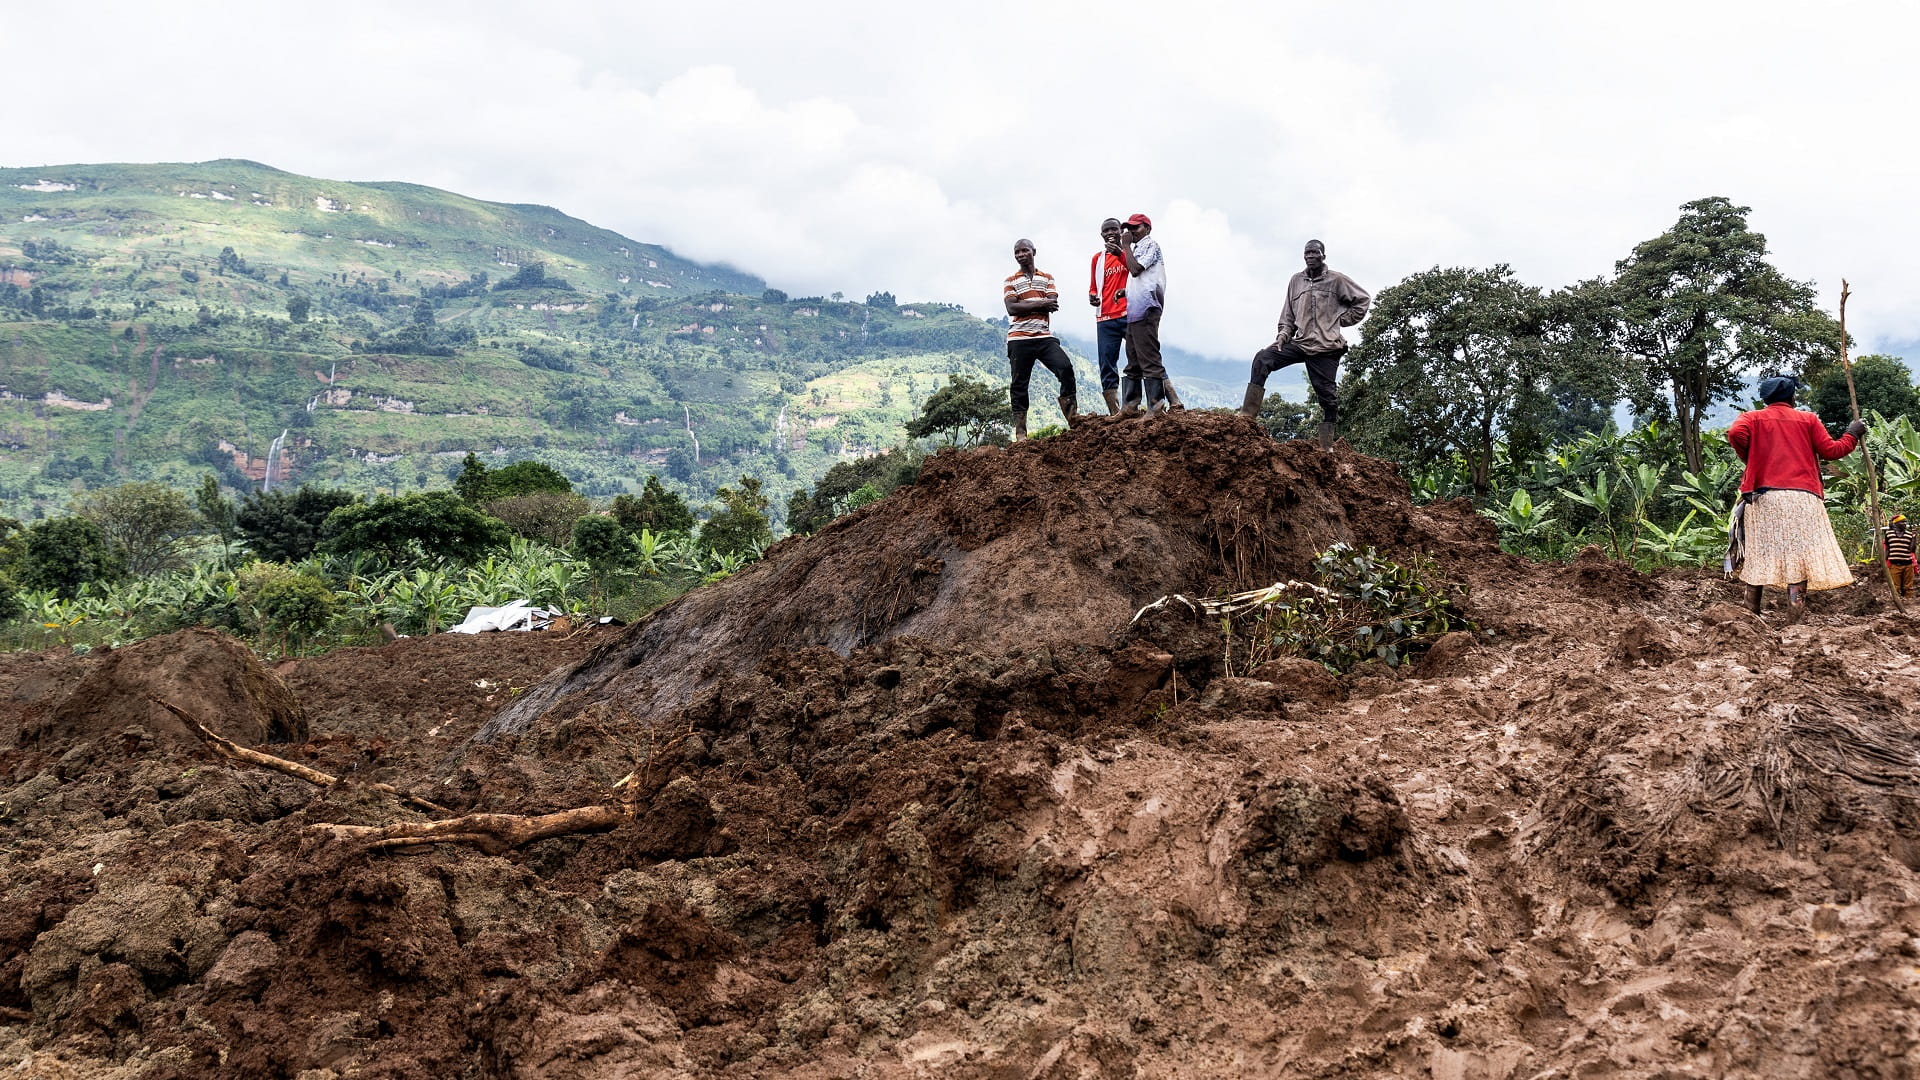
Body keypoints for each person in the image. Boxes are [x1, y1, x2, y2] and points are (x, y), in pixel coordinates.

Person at [1725, 375, 1865, 623]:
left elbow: (1736, 432)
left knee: (1760, 554)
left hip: (1764, 497)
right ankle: (1795, 619)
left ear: (1765, 399)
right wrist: (1852, 434)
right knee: (1799, 558)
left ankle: (1751, 616)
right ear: (1792, 397)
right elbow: (1832, 451)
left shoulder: (1752, 418)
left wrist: (1751, 456)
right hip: (1803, 498)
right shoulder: (1807, 419)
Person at [1239, 239, 1370, 450]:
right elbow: (1288, 315)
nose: (1310, 256)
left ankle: (1326, 444)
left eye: (1314, 252)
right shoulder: (1296, 281)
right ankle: (1246, 418)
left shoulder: (1336, 280)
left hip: (1327, 347)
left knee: (1327, 397)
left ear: (1323, 256)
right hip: (1300, 342)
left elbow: (1363, 300)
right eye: (1307, 253)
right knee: (1262, 359)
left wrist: (1340, 321)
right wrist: (1283, 334)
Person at [1001, 238, 1077, 439]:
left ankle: (1073, 418)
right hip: (1018, 339)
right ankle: (1021, 431)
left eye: (1024, 250)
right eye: (1016, 252)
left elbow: (1053, 303)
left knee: (1066, 368)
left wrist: (1029, 304)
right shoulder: (1010, 280)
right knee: (1019, 383)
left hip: (1044, 336)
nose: (1020, 255)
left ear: (1034, 251)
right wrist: (1041, 303)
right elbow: (1011, 308)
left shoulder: (1047, 277)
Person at [1115, 213, 1185, 415]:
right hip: (1136, 309)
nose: (1131, 232)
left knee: (1148, 356)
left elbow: (1135, 270)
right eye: (1128, 228)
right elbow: (1142, 280)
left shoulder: (1151, 245)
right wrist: (1125, 291)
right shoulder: (1137, 248)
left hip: (1147, 308)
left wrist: (1125, 246)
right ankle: (1130, 406)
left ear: (1147, 228)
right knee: (1133, 357)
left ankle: (1155, 406)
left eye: (1135, 228)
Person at [1087, 218, 1129, 414]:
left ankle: (1138, 404)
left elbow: (1136, 272)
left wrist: (1120, 253)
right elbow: (1094, 287)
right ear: (1101, 234)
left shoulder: (1130, 252)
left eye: (1114, 229)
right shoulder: (1098, 258)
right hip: (1105, 317)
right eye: (1106, 230)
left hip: (1130, 313)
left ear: (1121, 231)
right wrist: (1093, 297)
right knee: (1107, 363)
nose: (1110, 233)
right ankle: (1115, 410)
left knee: (1140, 356)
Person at [1884, 513, 1916, 598]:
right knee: (1895, 586)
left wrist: (1914, 538)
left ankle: (1908, 602)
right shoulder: (1889, 534)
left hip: (1907, 564)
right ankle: (1897, 603)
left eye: (1905, 522)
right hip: (1894, 565)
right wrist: (1884, 562)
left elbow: (1912, 550)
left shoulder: (1909, 535)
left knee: (1908, 587)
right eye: (1902, 522)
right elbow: (1887, 548)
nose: (1905, 524)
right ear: (1896, 524)